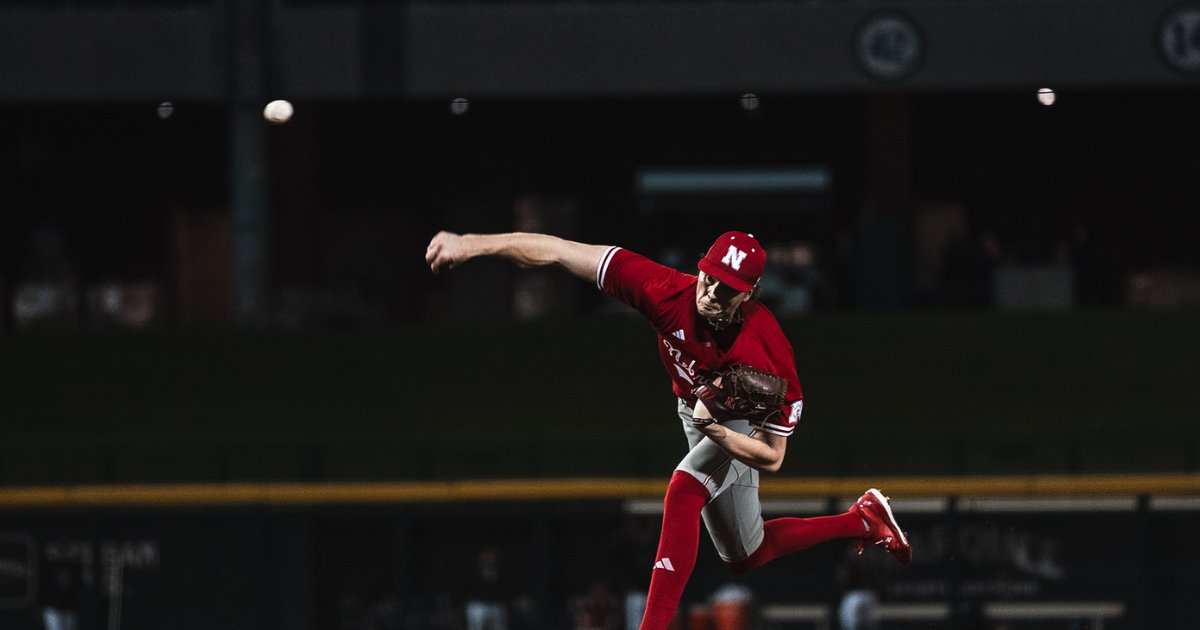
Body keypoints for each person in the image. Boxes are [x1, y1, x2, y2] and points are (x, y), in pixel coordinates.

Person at [425, 230, 911, 630]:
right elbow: (559, 251)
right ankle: (863, 519)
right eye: (709, 277)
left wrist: (716, 431)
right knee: (747, 554)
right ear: (700, 267)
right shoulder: (665, 290)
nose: (712, 292)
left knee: (682, 491)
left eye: (727, 287)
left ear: (750, 294)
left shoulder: (768, 351)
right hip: (693, 410)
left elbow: (773, 457)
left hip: (735, 422)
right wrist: (473, 244)